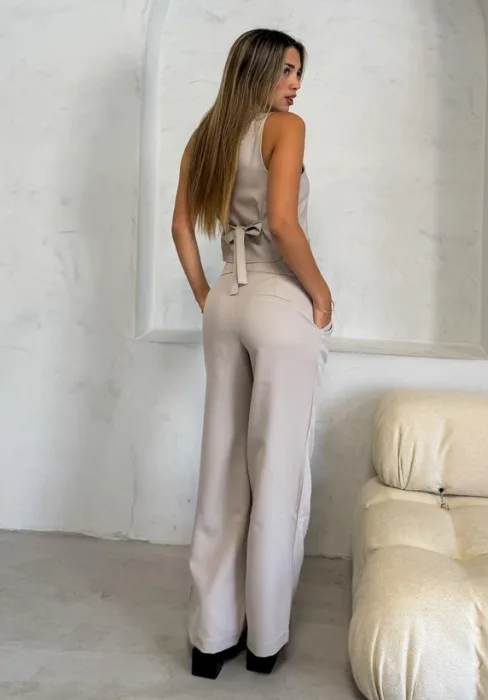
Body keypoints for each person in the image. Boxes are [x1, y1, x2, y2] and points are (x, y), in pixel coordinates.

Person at [172, 27, 334, 680]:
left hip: (226, 305)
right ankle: (264, 641)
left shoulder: (206, 136)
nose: (295, 85)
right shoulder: (284, 130)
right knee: (277, 472)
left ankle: (210, 639)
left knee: (222, 467)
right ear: (258, 70)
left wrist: (207, 295)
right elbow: (284, 223)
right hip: (276, 302)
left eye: (299, 73)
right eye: (287, 70)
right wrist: (320, 294)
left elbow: (181, 227)